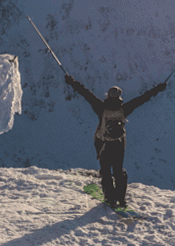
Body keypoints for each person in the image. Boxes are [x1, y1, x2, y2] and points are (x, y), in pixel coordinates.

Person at [65, 74, 167, 208]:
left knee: (106, 171)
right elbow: (143, 98)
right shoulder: (124, 109)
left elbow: (85, 93)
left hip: (104, 143)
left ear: (108, 96)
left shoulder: (101, 108)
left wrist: (71, 81)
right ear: (119, 97)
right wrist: (159, 88)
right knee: (118, 171)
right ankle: (121, 199)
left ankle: (110, 198)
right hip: (118, 144)